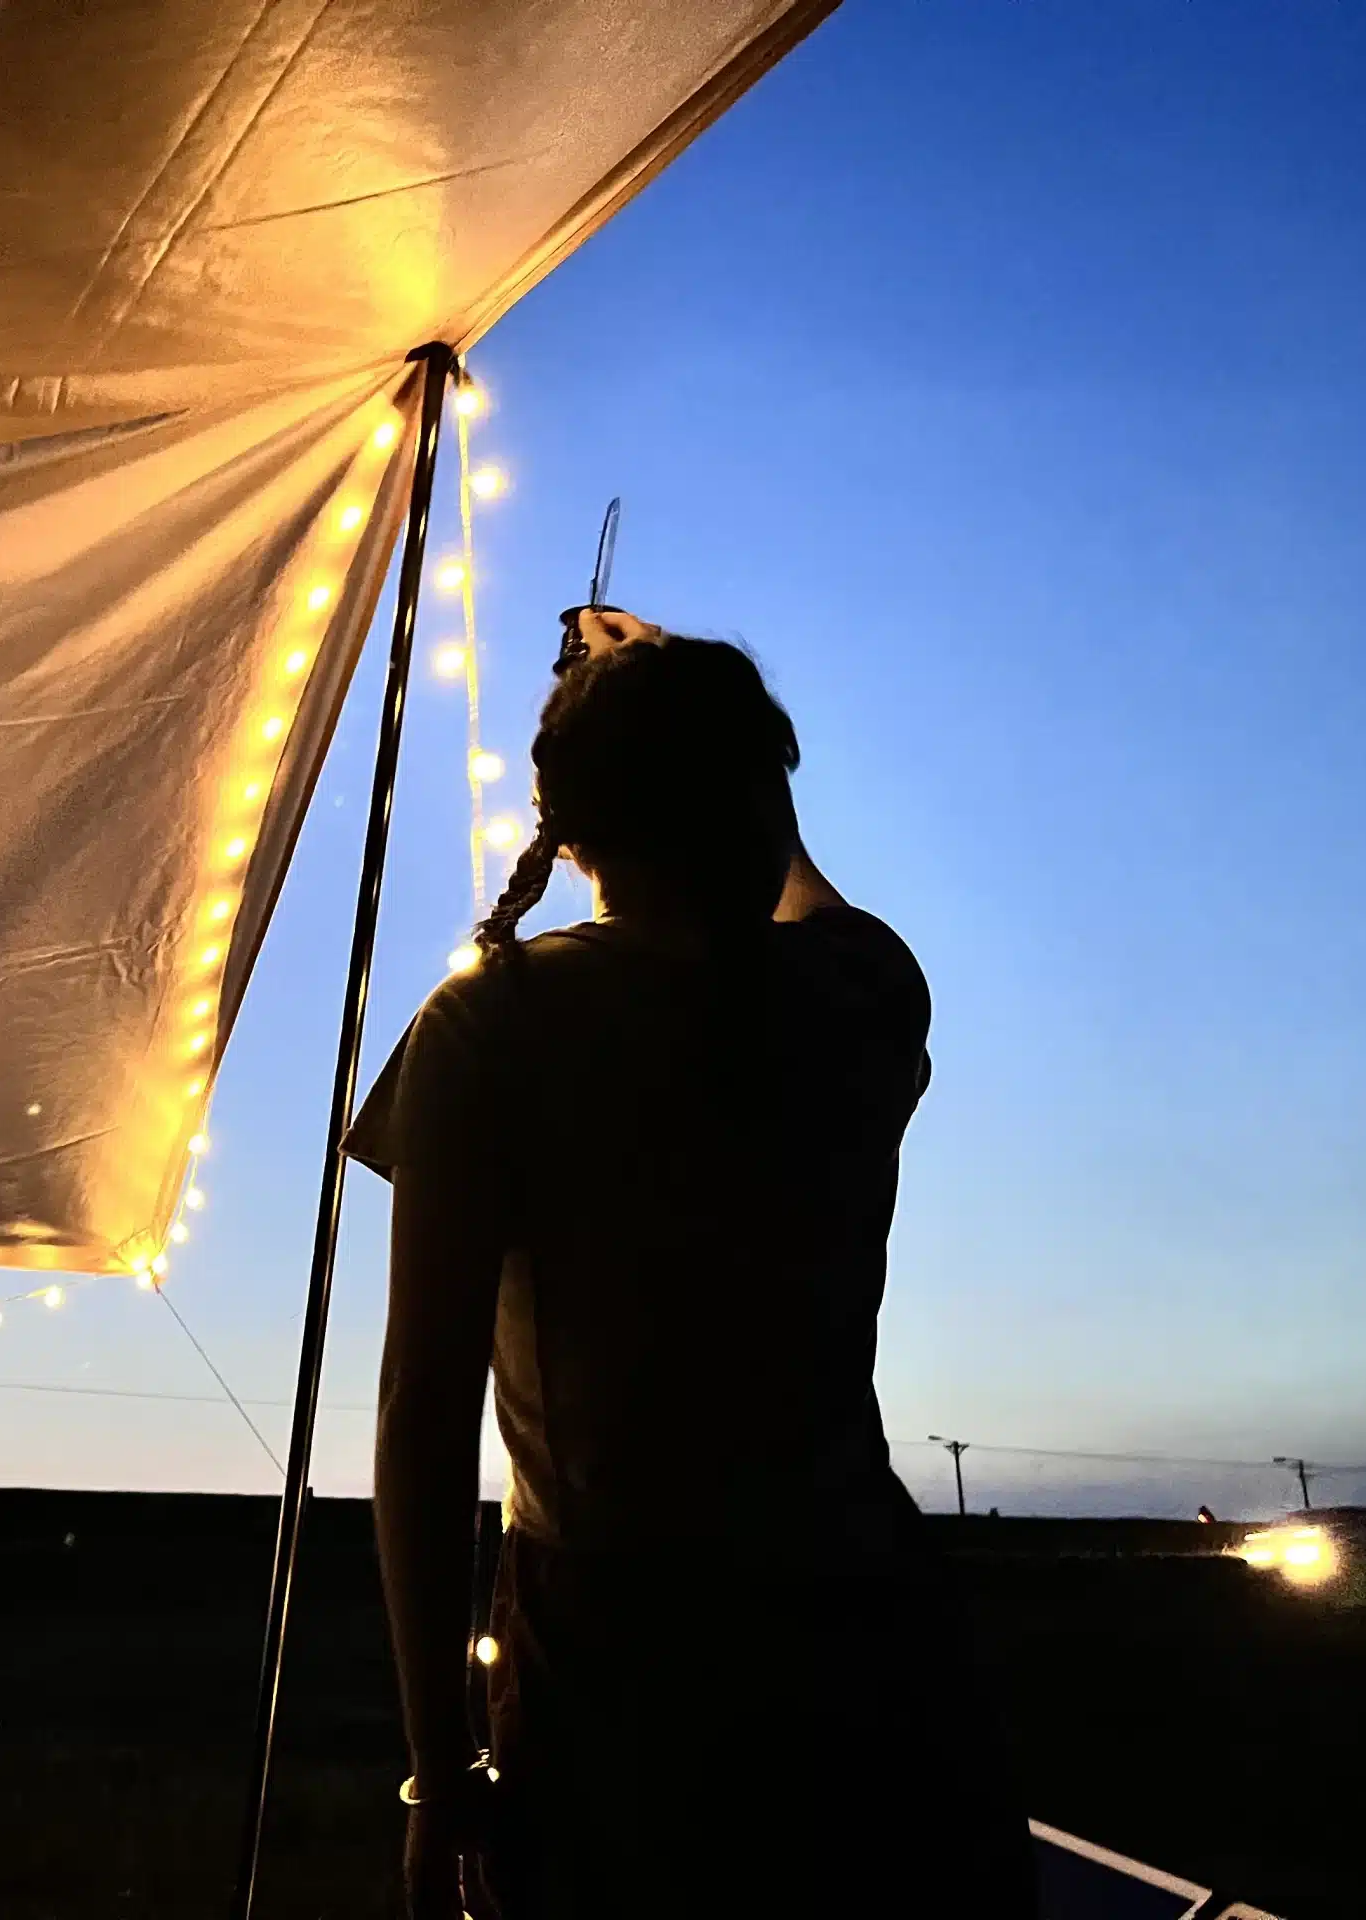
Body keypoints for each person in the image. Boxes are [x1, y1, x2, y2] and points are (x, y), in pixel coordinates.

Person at [349, 610, 1035, 1918]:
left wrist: (440, 1771)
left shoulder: (491, 1025)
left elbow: (420, 1419)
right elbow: (812, 898)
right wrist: (669, 679)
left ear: (569, 827)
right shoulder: (864, 996)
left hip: (616, 1675)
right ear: (765, 795)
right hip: (875, 1654)